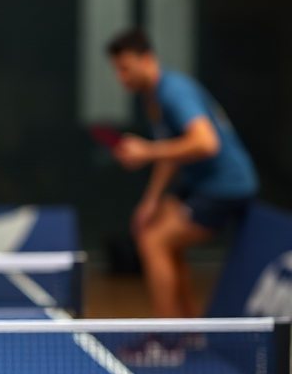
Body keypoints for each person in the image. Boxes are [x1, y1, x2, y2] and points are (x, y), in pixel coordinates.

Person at [106, 27, 258, 317]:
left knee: (154, 242)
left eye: (125, 68)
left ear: (147, 60)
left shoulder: (173, 93)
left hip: (226, 186)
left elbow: (205, 143)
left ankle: (166, 334)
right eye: (117, 70)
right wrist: (150, 201)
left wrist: (146, 151)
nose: (120, 77)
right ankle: (188, 326)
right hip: (201, 182)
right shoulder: (152, 98)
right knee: (152, 228)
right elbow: (172, 151)